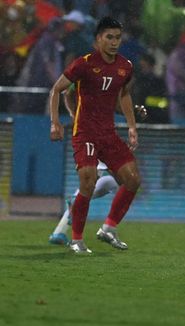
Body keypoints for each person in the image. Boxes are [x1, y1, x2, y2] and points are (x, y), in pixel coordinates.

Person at [49, 17, 141, 254]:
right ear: (98, 39)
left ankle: (108, 228)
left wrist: (131, 126)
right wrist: (56, 122)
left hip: (108, 135)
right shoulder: (84, 64)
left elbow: (124, 96)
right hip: (85, 133)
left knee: (132, 179)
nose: (114, 42)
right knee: (88, 182)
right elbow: (58, 89)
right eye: (109, 37)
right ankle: (77, 240)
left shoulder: (125, 66)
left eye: (117, 38)